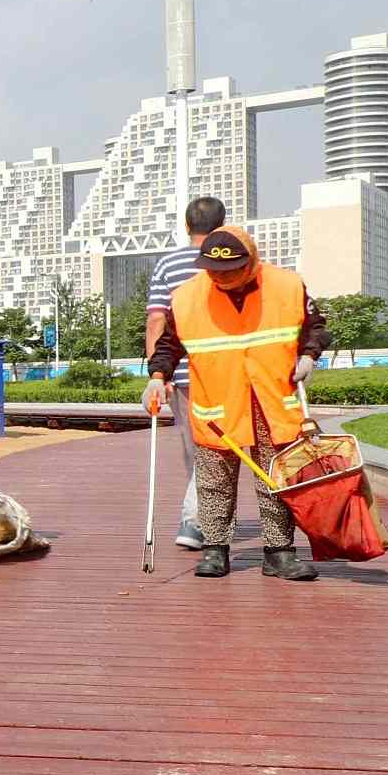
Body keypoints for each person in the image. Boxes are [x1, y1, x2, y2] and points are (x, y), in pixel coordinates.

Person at [143, 226, 330, 579]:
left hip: (270, 399)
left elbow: (315, 327)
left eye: (230, 270)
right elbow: (169, 344)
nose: (222, 277)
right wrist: (157, 377)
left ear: (251, 261)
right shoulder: (186, 297)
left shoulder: (287, 286)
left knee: (274, 477)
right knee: (214, 480)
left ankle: (279, 553)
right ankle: (215, 551)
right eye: (214, 271)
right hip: (216, 403)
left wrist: (309, 355)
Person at [144, 196, 227, 551]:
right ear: (222, 226)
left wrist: (157, 375)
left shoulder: (168, 264)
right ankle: (196, 519)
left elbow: (156, 320)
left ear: (186, 225)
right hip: (227, 369)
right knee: (220, 447)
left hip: (181, 371)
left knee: (196, 448)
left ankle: (199, 519)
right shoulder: (232, 260)